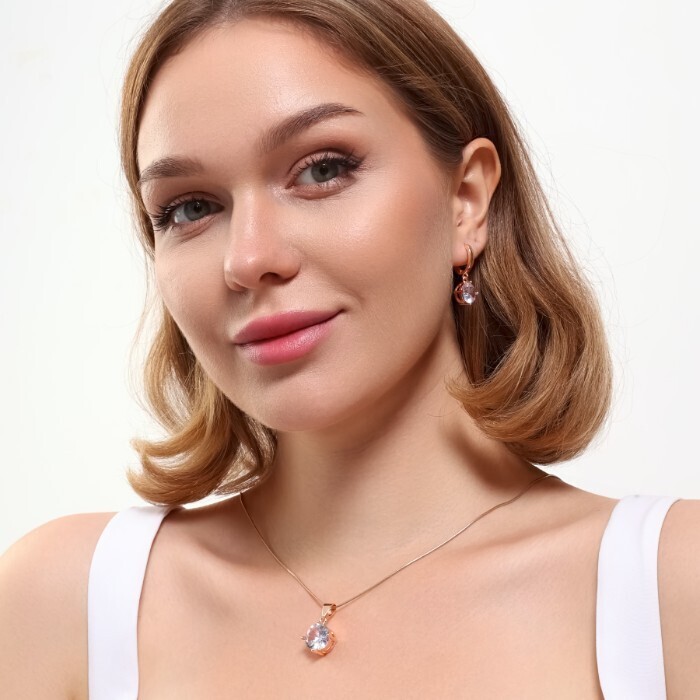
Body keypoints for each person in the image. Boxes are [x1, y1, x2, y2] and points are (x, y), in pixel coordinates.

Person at [1, 0, 697, 697]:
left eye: (322, 170)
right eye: (190, 208)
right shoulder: (64, 607)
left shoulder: (671, 590)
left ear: (465, 200)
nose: (248, 259)